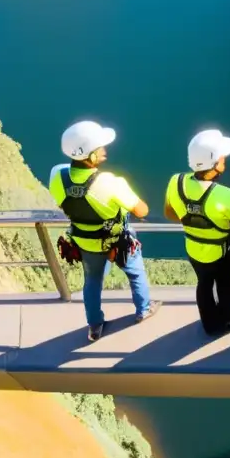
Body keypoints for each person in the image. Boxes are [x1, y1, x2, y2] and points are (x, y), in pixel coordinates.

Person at [49, 121, 159, 343]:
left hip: (85, 242)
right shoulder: (111, 183)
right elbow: (142, 210)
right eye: (100, 148)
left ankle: (94, 324)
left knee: (92, 281)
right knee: (135, 272)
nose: (104, 151)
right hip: (116, 242)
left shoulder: (57, 176)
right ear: (89, 157)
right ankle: (143, 309)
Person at [165, 128, 230, 336]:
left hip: (194, 249)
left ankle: (209, 325)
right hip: (222, 253)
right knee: (225, 285)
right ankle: (229, 318)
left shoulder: (176, 182)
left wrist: (193, 217)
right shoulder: (228, 196)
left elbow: (170, 213)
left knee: (204, 283)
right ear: (214, 164)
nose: (225, 160)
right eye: (222, 157)